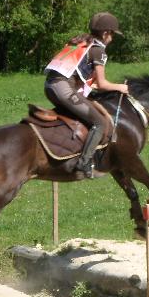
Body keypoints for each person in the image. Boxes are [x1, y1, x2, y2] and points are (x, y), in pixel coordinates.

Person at [44, 12, 130, 177]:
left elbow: (90, 81)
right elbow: (103, 84)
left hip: (50, 86)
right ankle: (83, 164)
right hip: (63, 89)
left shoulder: (81, 42)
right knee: (99, 122)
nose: (111, 39)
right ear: (105, 34)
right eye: (112, 35)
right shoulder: (99, 51)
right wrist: (120, 87)